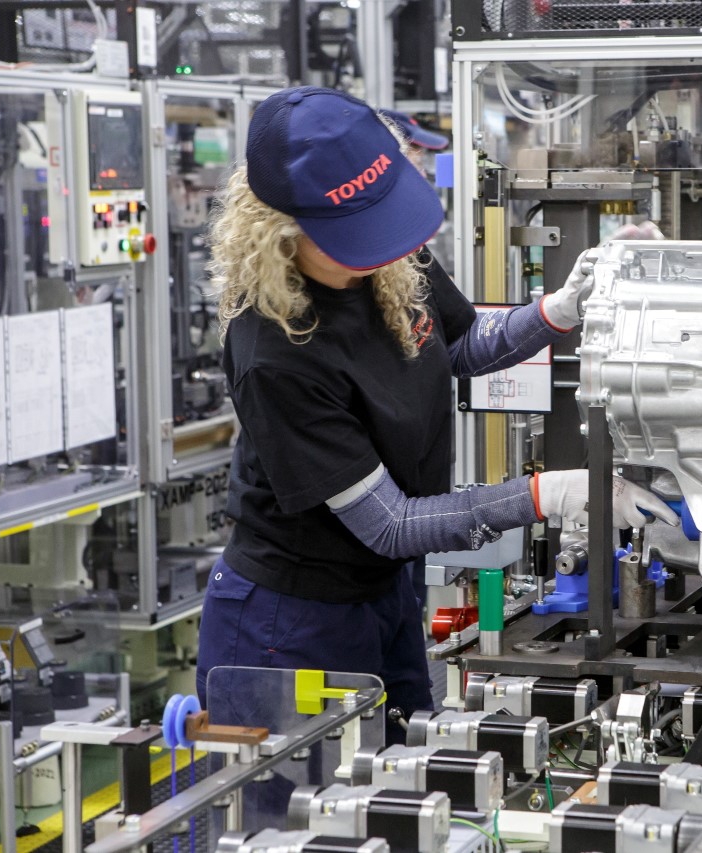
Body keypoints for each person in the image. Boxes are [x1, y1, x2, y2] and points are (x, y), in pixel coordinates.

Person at [196, 86, 676, 744]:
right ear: (282, 230)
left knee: (403, 775)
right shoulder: (274, 352)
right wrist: (549, 494)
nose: (377, 247)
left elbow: (459, 344)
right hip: (290, 623)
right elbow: (391, 524)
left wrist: (559, 309)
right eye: (354, 233)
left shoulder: (387, 254)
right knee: (308, 801)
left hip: (385, 593)